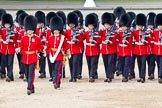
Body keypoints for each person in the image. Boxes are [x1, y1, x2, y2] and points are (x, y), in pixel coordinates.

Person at [20, 15, 43, 95]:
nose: (29, 31)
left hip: (33, 58)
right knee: (27, 74)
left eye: (31, 30)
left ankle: (29, 88)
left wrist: (37, 51)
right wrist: (22, 51)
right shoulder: (23, 38)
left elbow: (41, 47)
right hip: (25, 58)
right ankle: (32, 87)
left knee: (31, 74)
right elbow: (21, 48)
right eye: (28, 30)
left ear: (33, 30)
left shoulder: (37, 38)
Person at [47, 16, 70, 89]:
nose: (55, 31)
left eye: (57, 29)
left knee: (57, 70)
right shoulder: (50, 38)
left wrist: (67, 53)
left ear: (59, 30)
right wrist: (47, 53)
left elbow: (66, 46)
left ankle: (56, 82)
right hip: (52, 55)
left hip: (59, 56)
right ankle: (57, 81)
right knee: (53, 70)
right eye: (54, 29)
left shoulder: (62, 38)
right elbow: (47, 47)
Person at [64, 12, 83, 82]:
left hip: (76, 50)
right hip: (69, 50)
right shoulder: (67, 31)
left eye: (72, 24)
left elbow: (81, 40)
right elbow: (63, 38)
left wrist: (76, 40)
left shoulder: (78, 31)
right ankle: (72, 76)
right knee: (71, 64)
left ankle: (74, 77)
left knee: (75, 63)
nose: (71, 25)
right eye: (70, 24)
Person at [83, 13, 101, 82]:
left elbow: (99, 41)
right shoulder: (86, 33)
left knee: (93, 64)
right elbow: (82, 38)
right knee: (89, 64)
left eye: (91, 25)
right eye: (89, 25)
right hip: (88, 51)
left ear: (94, 26)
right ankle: (92, 74)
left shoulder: (97, 33)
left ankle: (91, 76)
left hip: (94, 50)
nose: (90, 26)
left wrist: (94, 41)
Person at [132, 13, 150, 83]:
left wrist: (145, 40)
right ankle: (140, 76)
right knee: (139, 64)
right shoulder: (135, 32)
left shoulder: (146, 32)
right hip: (137, 50)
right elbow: (132, 39)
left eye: (141, 25)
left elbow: (149, 41)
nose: (140, 27)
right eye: (139, 25)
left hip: (144, 50)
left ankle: (143, 77)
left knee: (143, 64)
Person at [0, 13, 17, 82]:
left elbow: (16, 40)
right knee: (5, 63)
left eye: (8, 24)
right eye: (6, 24)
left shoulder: (13, 31)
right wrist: (3, 41)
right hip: (4, 49)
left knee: (10, 63)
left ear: (10, 24)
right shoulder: (2, 30)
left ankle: (9, 76)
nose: (7, 25)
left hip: (11, 49)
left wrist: (11, 40)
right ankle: (11, 75)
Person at [100, 12, 117, 82]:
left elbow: (115, 40)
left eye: (107, 24)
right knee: (106, 64)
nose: (106, 25)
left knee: (110, 64)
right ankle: (107, 76)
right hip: (104, 50)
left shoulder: (113, 32)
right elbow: (98, 37)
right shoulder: (102, 31)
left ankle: (109, 77)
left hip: (111, 50)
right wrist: (100, 30)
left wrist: (110, 42)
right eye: (105, 24)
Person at [117, 13, 132, 82]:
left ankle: (125, 76)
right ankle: (123, 74)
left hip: (127, 52)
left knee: (126, 65)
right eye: (122, 26)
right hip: (120, 52)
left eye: (125, 26)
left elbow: (131, 42)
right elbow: (116, 40)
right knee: (122, 65)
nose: (123, 27)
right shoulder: (119, 33)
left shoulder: (130, 33)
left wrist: (126, 42)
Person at [152, 13, 162, 83]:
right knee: (159, 64)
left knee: (161, 64)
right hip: (156, 51)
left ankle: (160, 77)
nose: (160, 27)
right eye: (159, 26)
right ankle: (160, 75)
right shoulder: (154, 32)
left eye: (161, 26)